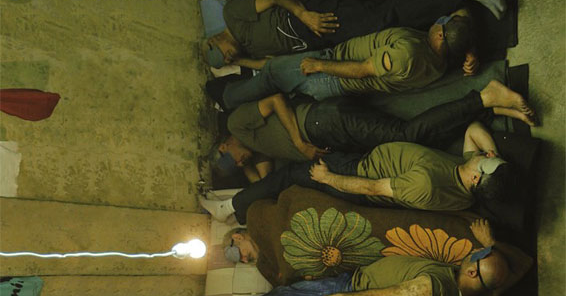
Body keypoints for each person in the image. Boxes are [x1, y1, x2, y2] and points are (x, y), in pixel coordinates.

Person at [201, 79, 535, 191]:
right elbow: (260, 182)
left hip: (322, 122)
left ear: (225, 143)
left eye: (233, 157)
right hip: (336, 136)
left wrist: (300, 142)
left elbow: (276, 100)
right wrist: (241, 166)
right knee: (412, 140)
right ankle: (488, 110)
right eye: (238, 165)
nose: (241, 161)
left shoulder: (238, 126)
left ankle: (485, 97)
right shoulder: (256, 153)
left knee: (405, 132)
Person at [219, 219, 533, 296]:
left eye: (476, 256)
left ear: (473, 271)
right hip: (355, 294)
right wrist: (492, 244)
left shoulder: (432, 289)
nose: (471, 253)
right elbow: (524, 265)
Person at [201, 118, 522, 222]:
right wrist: (493, 154)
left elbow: (372, 188)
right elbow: (474, 128)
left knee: (289, 175)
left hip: (357, 173)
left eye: (486, 161)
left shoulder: (427, 184)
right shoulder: (468, 177)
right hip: (369, 156)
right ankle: (241, 198)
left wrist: (330, 178)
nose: (484, 155)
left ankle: (229, 207)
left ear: (477, 177)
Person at [204, 0, 507, 68]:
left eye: (225, 55)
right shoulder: (248, 50)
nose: (229, 58)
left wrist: (304, 15)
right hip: (325, 38)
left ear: (215, 39)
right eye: (227, 62)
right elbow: (269, 64)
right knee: (390, 27)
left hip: (314, 15)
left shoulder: (233, 15)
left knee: (386, 15)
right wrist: (241, 60)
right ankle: (452, 8)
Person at [216, 11, 477, 111]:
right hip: (334, 68)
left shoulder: (407, 54)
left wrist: (319, 66)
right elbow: (462, 13)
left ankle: (226, 96)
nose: (440, 19)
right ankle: (242, 67)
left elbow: (363, 70)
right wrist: (469, 51)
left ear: (441, 36)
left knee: (274, 74)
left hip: (331, 74)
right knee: (279, 76)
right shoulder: (441, 59)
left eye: (443, 22)